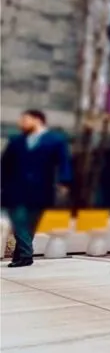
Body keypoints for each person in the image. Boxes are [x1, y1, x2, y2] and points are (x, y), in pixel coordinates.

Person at [1, 110, 72, 267]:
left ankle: (19, 255)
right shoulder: (16, 141)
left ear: (37, 120)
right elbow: (4, 164)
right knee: (19, 221)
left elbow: (63, 162)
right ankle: (26, 256)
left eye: (25, 120)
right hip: (15, 188)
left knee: (30, 224)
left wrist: (64, 181)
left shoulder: (55, 140)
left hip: (41, 189)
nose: (21, 124)